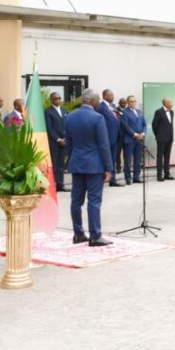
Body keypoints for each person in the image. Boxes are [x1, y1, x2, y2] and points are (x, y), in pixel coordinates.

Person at [65, 89, 113, 247]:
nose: (99, 102)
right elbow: (103, 145)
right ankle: (95, 235)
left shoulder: (70, 117)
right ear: (92, 101)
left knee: (76, 200)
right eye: (98, 100)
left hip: (77, 163)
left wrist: (73, 159)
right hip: (94, 165)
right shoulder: (98, 117)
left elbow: (69, 143)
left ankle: (78, 234)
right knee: (94, 200)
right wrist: (108, 168)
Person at [98, 89, 123, 187]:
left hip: (115, 137)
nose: (112, 97)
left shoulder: (113, 106)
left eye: (113, 95)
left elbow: (117, 120)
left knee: (113, 159)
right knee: (104, 159)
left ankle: (113, 180)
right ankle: (100, 180)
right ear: (104, 96)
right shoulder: (100, 107)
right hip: (106, 138)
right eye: (110, 95)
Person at [45, 92, 69, 192]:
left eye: (59, 98)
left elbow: (67, 124)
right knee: (54, 164)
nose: (58, 100)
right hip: (54, 143)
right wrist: (58, 139)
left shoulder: (64, 110)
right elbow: (49, 128)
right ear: (51, 100)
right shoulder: (48, 111)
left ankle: (60, 184)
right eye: (55, 99)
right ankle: (52, 185)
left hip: (64, 142)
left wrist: (66, 138)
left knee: (61, 165)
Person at [121, 96, 146, 184]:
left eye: (135, 101)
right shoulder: (124, 112)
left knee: (138, 159)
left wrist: (143, 133)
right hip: (129, 139)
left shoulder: (139, 112)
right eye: (131, 101)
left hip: (139, 139)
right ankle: (128, 178)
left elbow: (144, 124)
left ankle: (136, 177)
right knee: (128, 160)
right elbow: (125, 126)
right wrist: (134, 134)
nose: (133, 103)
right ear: (127, 102)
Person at [151, 98, 175, 181]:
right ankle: (159, 175)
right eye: (170, 102)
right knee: (160, 156)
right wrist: (158, 135)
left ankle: (167, 173)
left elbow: (170, 125)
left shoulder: (172, 112)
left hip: (170, 138)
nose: (172, 103)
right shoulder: (159, 112)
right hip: (161, 138)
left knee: (167, 156)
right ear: (165, 103)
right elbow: (154, 125)